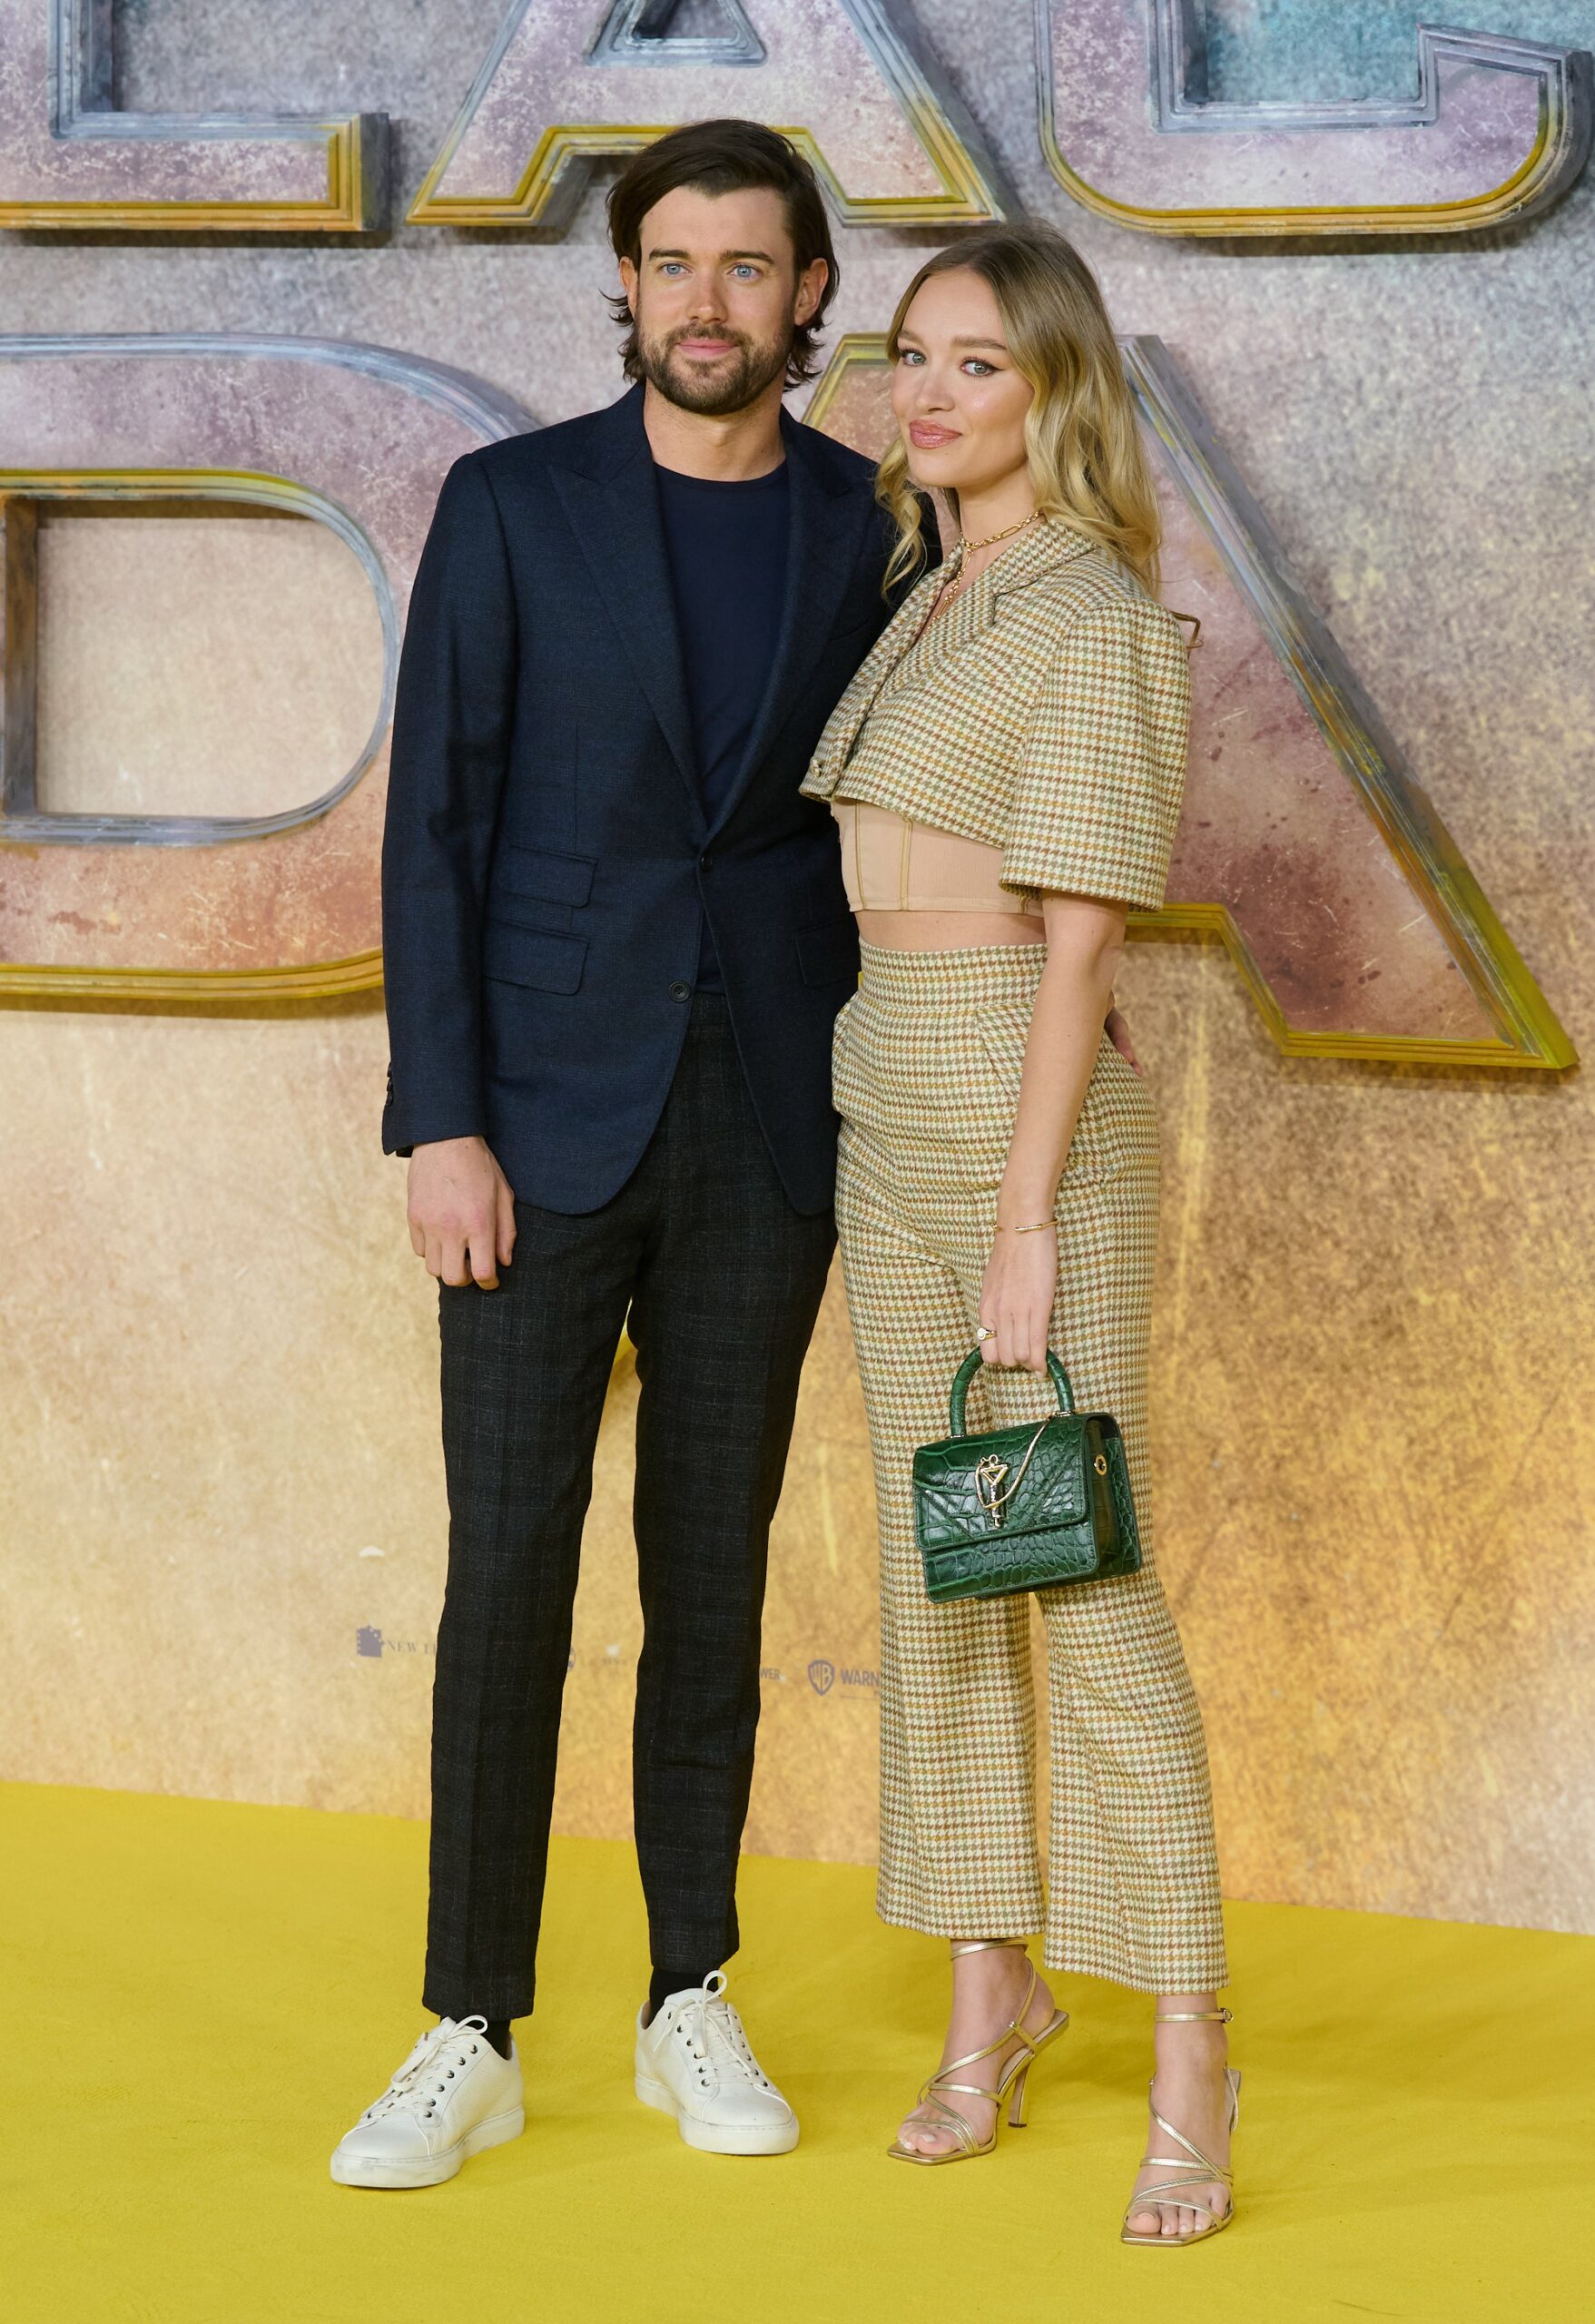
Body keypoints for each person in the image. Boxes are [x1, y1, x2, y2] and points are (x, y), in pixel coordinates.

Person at [331, 118, 933, 2190]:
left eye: (747, 268)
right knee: (505, 1568)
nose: (705, 302)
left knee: (713, 1571)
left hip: (773, 1117)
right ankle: (471, 2022)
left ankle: (692, 1985)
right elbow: (436, 835)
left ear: (810, 300)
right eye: (670, 265)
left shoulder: (880, 525)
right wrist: (444, 1118)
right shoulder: (506, 510)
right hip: (537, 1125)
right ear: (626, 291)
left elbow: (928, 809)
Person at [799, 224, 1237, 2244]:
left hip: (1014, 1096)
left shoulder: (1098, 616)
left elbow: (1081, 943)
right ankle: (996, 1983)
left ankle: (1187, 2045)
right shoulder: (930, 593)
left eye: (978, 362)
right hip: (883, 1070)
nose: (932, 393)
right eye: (913, 358)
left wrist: (1029, 1216)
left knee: (1077, 1566)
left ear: (1057, 388)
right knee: (938, 1560)